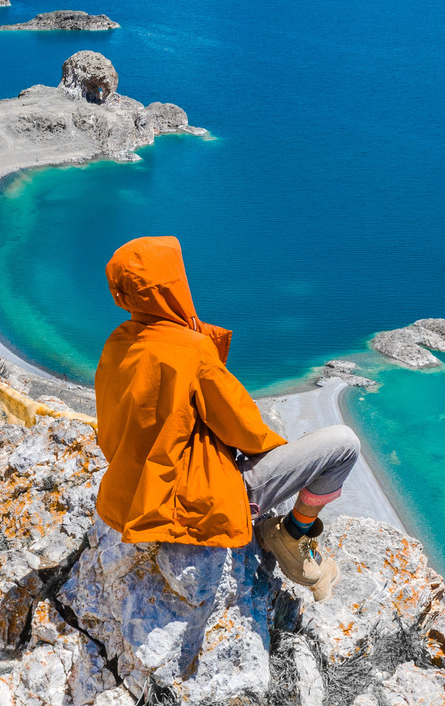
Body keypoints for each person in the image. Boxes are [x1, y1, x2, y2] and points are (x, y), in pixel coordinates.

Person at [92, 235, 359, 600]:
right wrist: (284, 458)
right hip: (198, 500)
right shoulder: (191, 351)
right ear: (173, 286)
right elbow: (246, 432)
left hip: (133, 492)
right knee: (344, 445)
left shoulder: (117, 342)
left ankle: (289, 533)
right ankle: (291, 536)